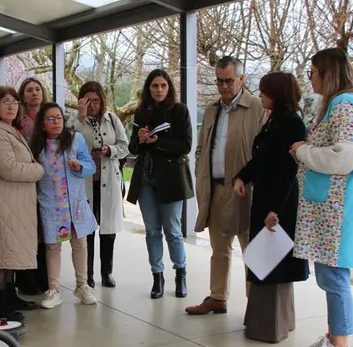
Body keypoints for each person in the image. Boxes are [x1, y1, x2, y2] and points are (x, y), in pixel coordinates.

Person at [292, 47, 353, 347]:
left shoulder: (344, 107)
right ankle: (335, 337)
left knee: (335, 278)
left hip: (338, 213)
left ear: (326, 73)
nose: (309, 78)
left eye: (312, 72)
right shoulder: (335, 107)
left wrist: (303, 151)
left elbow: (344, 157)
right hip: (329, 210)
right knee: (329, 276)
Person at [232, 72, 309, 343]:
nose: (260, 95)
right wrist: (242, 176)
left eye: (264, 91)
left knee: (272, 264)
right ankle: (272, 322)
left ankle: (269, 326)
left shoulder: (293, 125)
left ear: (276, 94)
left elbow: (288, 172)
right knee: (265, 261)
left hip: (279, 204)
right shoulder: (274, 121)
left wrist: (275, 210)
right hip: (266, 199)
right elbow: (261, 159)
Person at [187, 56, 267, 316]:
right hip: (217, 189)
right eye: (219, 81)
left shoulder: (257, 108)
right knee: (219, 248)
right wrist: (201, 169)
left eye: (229, 81)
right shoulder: (212, 109)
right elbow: (201, 148)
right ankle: (217, 297)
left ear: (242, 79)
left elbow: (264, 152)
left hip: (246, 191)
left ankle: (256, 304)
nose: (223, 86)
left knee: (251, 249)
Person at [0, 86, 45, 323]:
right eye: (6, 102)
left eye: (14, 102)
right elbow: (9, 168)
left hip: (11, 202)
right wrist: (38, 169)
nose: (12, 106)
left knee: (8, 252)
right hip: (0, 203)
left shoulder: (7, 129)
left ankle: (10, 297)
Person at [126, 69, 194, 299]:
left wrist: (158, 141)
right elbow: (133, 149)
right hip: (145, 180)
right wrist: (140, 138)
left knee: (173, 231)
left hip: (171, 180)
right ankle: (158, 277)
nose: (159, 90)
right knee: (152, 231)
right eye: (154, 86)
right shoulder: (141, 112)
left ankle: (180, 275)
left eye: (163, 85)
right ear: (148, 88)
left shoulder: (179, 111)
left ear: (169, 88)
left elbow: (185, 146)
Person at [31, 102, 98, 309]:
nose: (56, 122)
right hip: (51, 204)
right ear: (42, 124)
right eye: (50, 119)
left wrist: (80, 166)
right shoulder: (37, 146)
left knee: (80, 243)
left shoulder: (76, 140)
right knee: (53, 246)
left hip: (75, 202)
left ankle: (82, 286)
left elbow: (91, 167)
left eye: (59, 117)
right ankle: (54, 290)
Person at [69, 81, 129, 288]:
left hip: (108, 182)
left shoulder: (112, 119)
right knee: (87, 229)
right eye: (88, 101)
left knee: (108, 229)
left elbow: (124, 146)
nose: (93, 105)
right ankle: (88, 274)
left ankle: (107, 272)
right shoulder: (76, 121)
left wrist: (109, 150)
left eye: (96, 100)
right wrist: (81, 116)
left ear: (102, 100)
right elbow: (66, 143)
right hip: (83, 183)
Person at [15, 77, 49, 298]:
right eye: (29, 90)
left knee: (45, 229)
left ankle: (44, 278)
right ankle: (26, 279)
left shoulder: (50, 116)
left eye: (38, 89)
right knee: (27, 230)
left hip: (48, 180)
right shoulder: (17, 120)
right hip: (25, 179)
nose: (34, 93)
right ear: (23, 95)